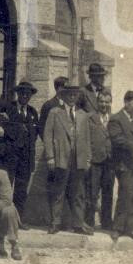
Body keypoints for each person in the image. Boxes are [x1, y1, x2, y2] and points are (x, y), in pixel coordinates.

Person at [43, 84, 93, 235]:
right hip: (61, 157)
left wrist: (88, 158)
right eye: (69, 94)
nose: (72, 97)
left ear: (78, 96)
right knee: (59, 190)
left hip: (78, 159)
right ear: (63, 96)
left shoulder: (83, 115)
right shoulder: (55, 112)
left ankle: (78, 224)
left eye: (75, 95)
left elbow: (87, 139)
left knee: (78, 192)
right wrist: (50, 157)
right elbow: (47, 136)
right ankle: (55, 222)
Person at [108, 90, 133, 241]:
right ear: (126, 103)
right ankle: (117, 228)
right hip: (124, 163)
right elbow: (117, 139)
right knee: (125, 194)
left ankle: (131, 228)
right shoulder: (116, 119)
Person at [5, 80, 40, 220]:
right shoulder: (9, 109)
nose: (25, 96)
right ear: (18, 94)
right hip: (10, 157)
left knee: (21, 190)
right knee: (6, 188)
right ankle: (4, 219)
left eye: (28, 94)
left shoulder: (32, 112)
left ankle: (18, 219)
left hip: (26, 158)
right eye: (22, 93)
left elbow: (34, 134)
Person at [86, 88, 113, 230]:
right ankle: (89, 221)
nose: (104, 105)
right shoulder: (90, 118)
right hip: (95, 161)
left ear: (110, 103)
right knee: (92, 192)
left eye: (107, 102)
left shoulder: (114, 119)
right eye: (101, 101)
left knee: (108, 192)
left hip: (109, 162)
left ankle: (107, 222)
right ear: (97, 102)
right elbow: (86, 139)